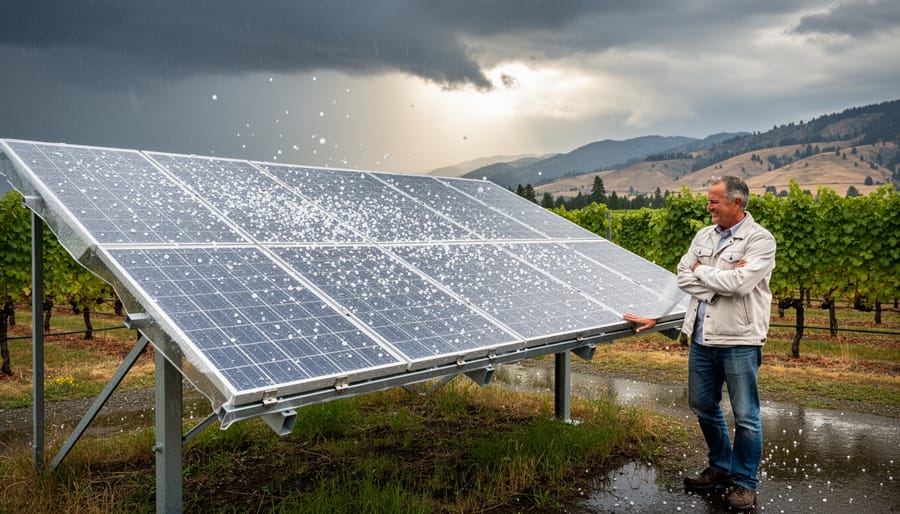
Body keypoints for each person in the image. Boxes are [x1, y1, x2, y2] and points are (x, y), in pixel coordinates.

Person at [674, 175, 776, 511]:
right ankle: (721, 467)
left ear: (737, 203)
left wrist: (702, 271)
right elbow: (682, 274)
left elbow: (741, 284)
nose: (708, 207)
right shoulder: (704, 235)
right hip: (701, 337)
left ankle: (745, 483)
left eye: (714, 201)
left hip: (739, 340)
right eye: (709, 200)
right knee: (702, 405)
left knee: (746, 415)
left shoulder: (760, 240)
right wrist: (716, 280)